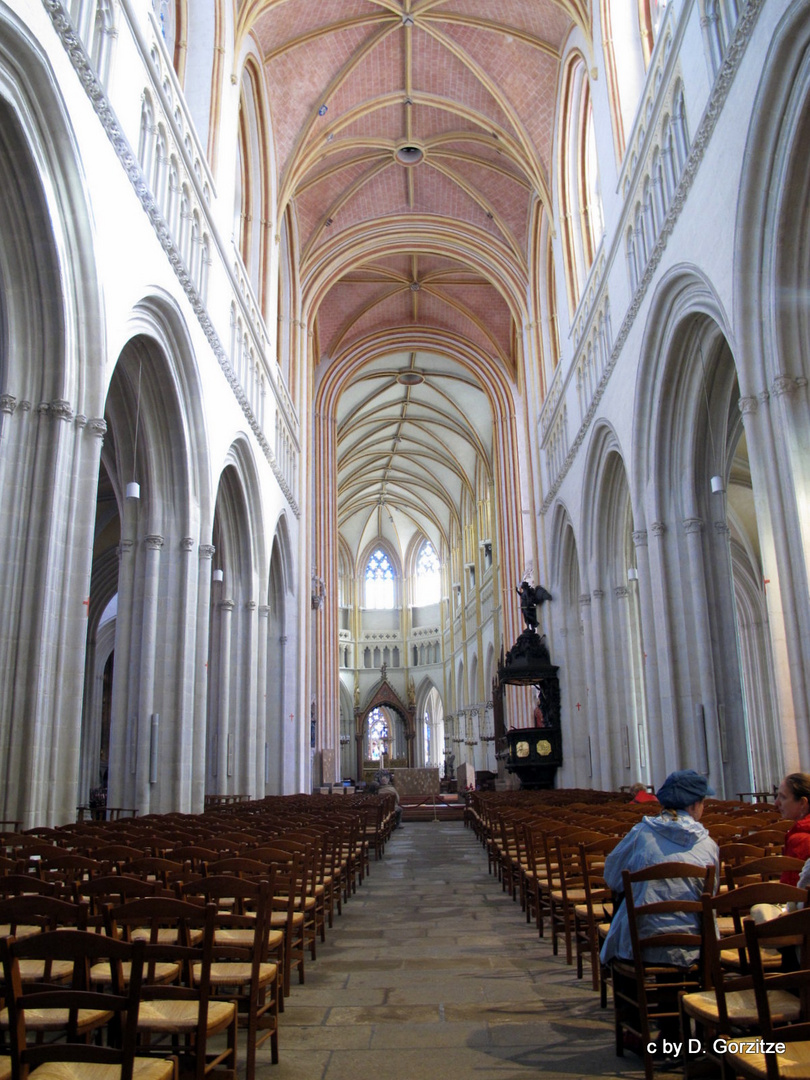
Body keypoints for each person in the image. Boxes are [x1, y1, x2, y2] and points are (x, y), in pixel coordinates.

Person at [600, 769, 719, 967]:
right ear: (694, 805)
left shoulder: (641, 834)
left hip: (641, 947)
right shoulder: (709, 845)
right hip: (696, 948)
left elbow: (612, 877)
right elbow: (710, 894)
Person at [775, 773, 810, 885]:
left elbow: (790, 892)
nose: (776, 803)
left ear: (802, 803)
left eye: (783, 797)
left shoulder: (799, 839)